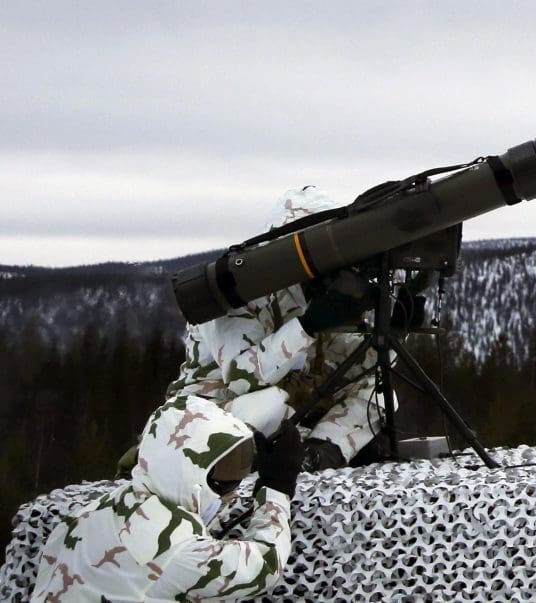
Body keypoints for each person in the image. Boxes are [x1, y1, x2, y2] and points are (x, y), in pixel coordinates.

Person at [165, 186, 391, 470]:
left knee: (378, 392)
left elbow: (357, 366)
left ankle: (319, 453)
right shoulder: (237, 289)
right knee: (269, 403)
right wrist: (308, 326)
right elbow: (241, 379)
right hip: (210, 415)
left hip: (286, 412)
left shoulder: (315, 290)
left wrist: (391, 326)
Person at [32, 395, 303, 601]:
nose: (232, 492)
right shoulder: (180, 555)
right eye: (225, 475)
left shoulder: (86, 514)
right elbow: (267, 565)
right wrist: (276, 488)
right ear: (187, 473)